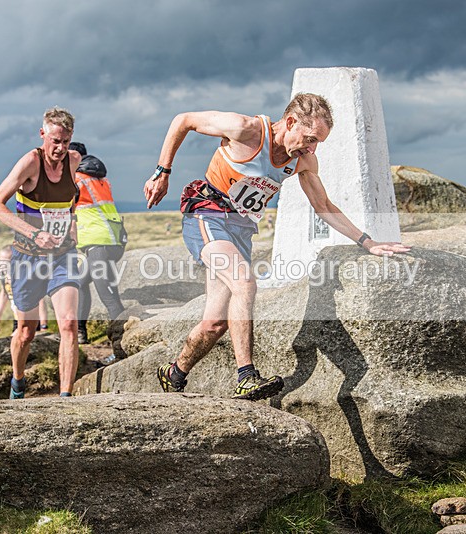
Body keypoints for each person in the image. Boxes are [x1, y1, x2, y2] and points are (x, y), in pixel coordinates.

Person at [143, 93, 411, 401]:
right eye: (310, 139)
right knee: (245, 283)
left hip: (241, 229)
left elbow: (323, 205)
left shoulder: (302, 161)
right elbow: (184, 120)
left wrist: (368, 242)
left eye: (318, 143)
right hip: (208, 213)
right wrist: (162, 172)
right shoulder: (247, 130)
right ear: (291, 122)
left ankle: (174, 373)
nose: (312, 148)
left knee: (215, 324)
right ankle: (246, 377)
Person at [0, 107, 81, 399]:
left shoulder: (74, 161)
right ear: (42, 134)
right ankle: (18, 382)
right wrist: (35, 233)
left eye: (65, 141)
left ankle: (65, 398)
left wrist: (70, 226)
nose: (60, 148)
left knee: (68, 323)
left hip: (62, 256)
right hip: (27, 257)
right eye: (55, 141)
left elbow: (70, 203)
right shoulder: (30, 162)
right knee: (26, 332)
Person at [68, 142, 126, 356]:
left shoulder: (75, 179)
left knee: (110, 298)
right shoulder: (99, 178)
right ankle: (80, 332)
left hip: (98, 243)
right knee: (80, 282)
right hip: (112, 239)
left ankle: (121, 348)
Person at [0, 244, 49, 334]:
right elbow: (4, 293)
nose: (3, 265)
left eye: (7, 262)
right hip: (17, 318)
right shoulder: (4, 275)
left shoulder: (25, 277)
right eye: (1, 261)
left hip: (31, 319)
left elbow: (40, 300)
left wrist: (43, 324)